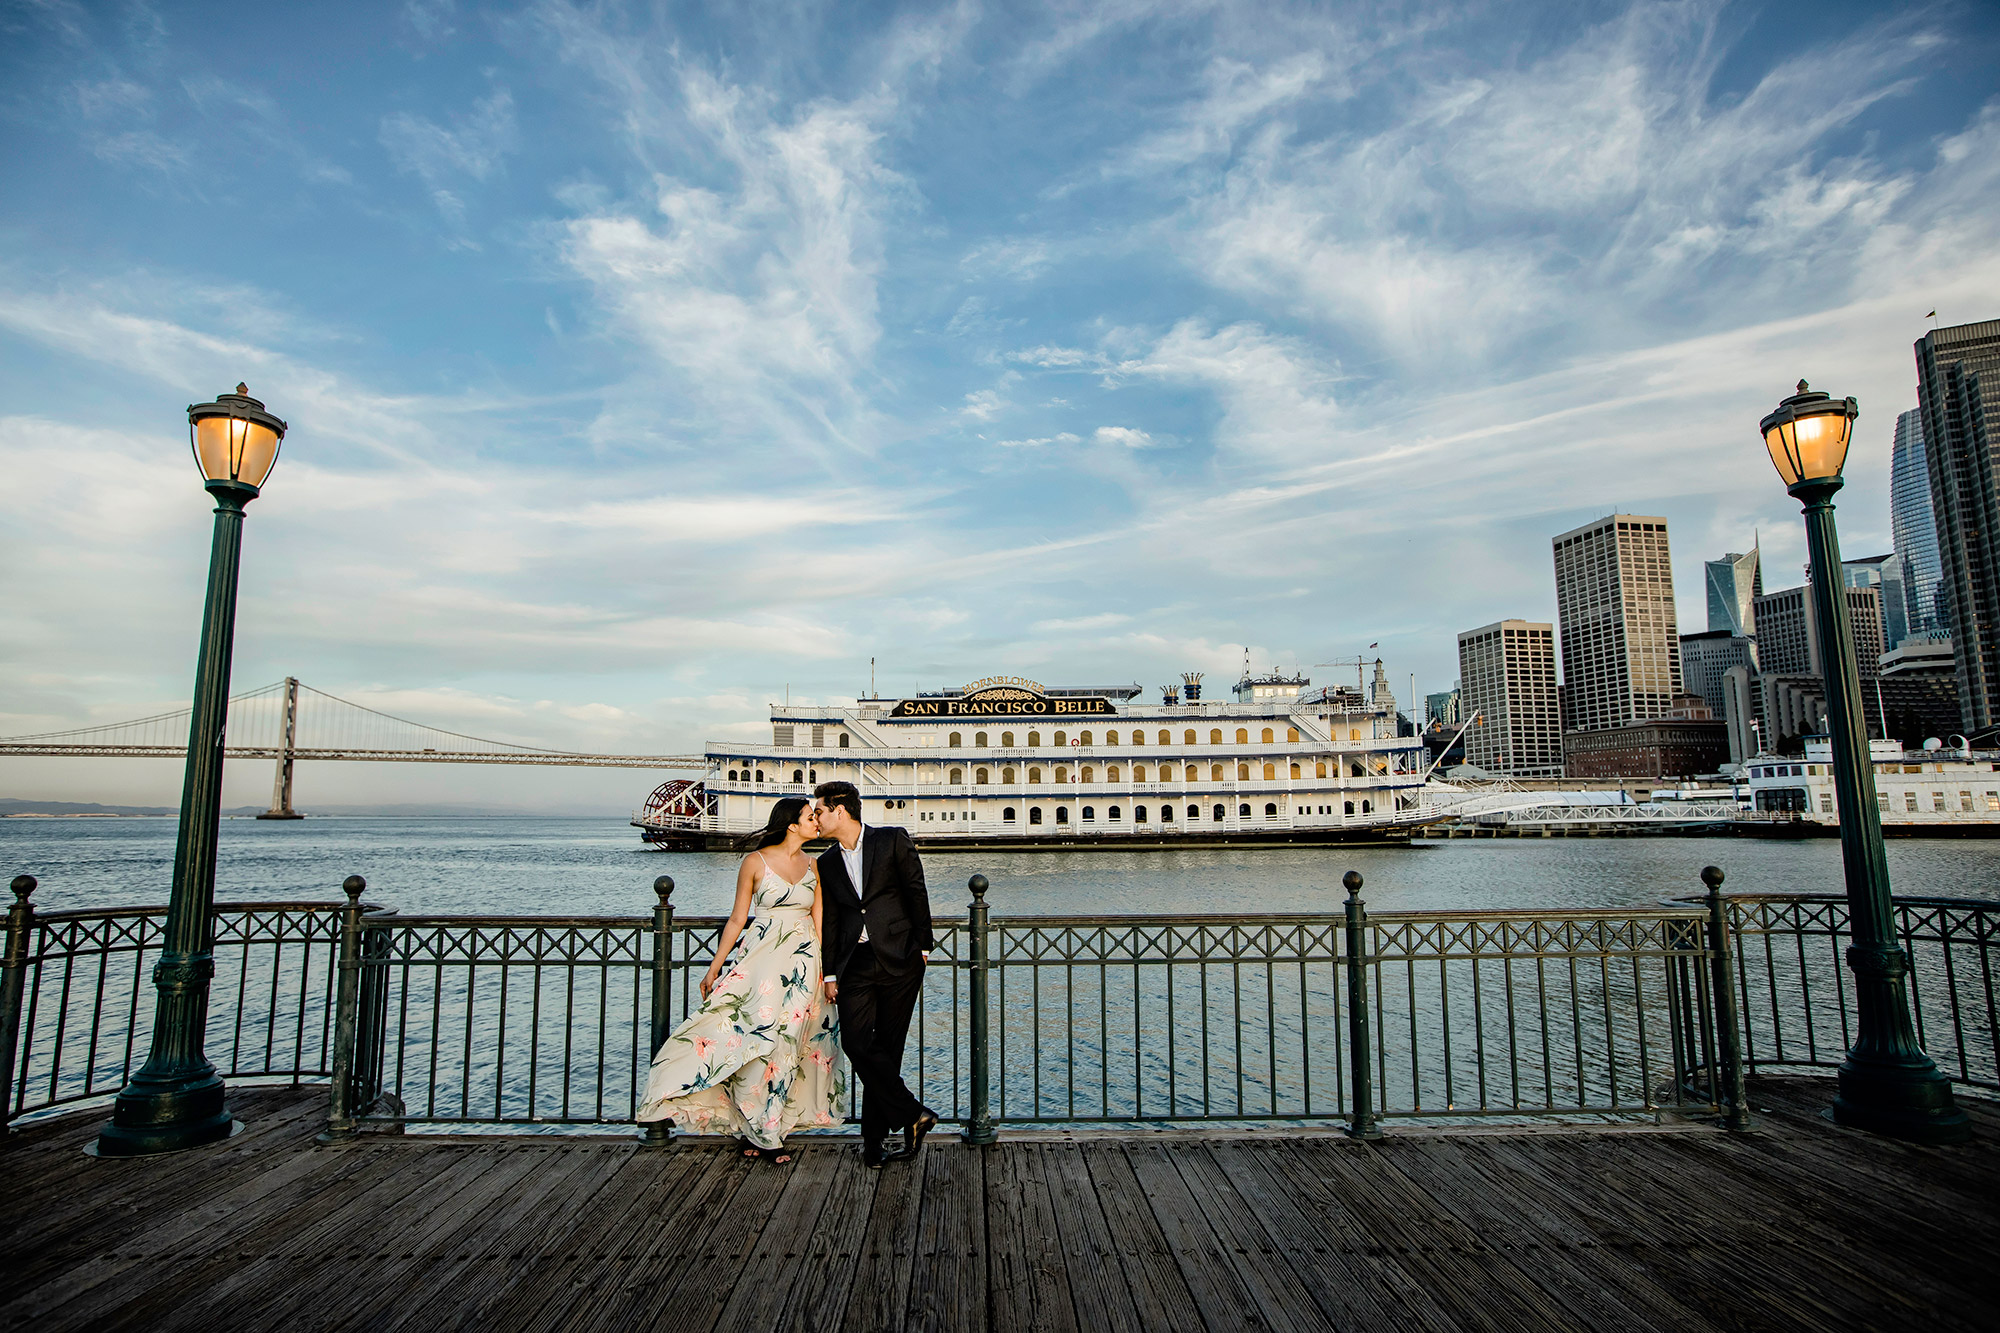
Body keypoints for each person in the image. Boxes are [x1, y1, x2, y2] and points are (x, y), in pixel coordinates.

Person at [636, 797, 846, 1164]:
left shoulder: (815, 866)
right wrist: (716, 966)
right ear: (791, 825)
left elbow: (820, 922)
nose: (817, 822)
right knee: (750, 1039)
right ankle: (752, 1124)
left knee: (786, 1046)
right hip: (760, 963)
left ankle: (769, 1130)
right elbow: (737, 920)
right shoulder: (756, 862)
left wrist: (828, 974)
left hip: (803, 966)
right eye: (810, 817)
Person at [812, 780, 939, 1168]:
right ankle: (914, 1113)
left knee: (887, 1051)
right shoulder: (826, 862)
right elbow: (832, 920)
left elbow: (915, 890)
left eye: (819, 811)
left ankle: (873, 1142)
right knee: (856, 1042)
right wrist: (830, 971)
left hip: (901, 958)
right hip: (855, 963)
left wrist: (924, 946)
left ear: (840, 810)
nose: (815, 818)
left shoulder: (891, 840)